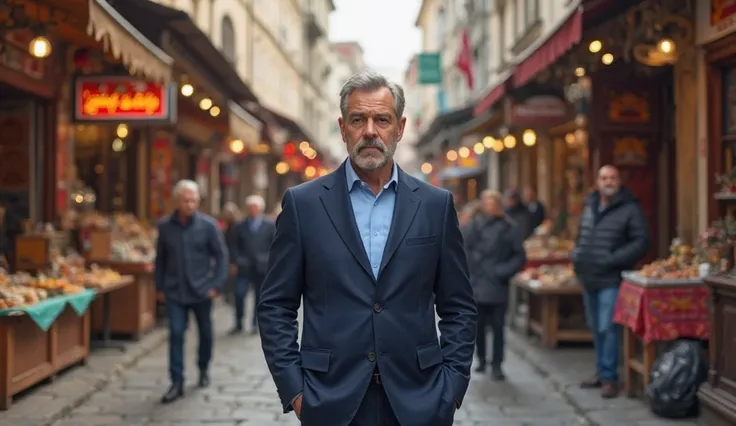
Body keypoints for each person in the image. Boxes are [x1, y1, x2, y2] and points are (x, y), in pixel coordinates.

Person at [258, 70, 477, 426]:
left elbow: (460, 308)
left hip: (418, 401)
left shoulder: (435, 205)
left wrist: (450, 390)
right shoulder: (304, 205)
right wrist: (296, 392)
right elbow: (275, 306)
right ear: (343, 128)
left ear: (400, 128)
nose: (371, 131)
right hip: (330, 400)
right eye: (359, 119)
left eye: (382, 119)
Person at [573, 165, 649, 398]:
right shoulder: (590, 204)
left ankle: (610, 378)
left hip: (610, 278)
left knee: (608, 328)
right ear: (597, 181)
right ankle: (601, 372)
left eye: (613, 177)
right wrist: (576, 255)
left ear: (619, 181)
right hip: (588, 276)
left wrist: (614, 260)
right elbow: (582, 234)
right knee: (596, 328)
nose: (608, 181)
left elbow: (641, 241)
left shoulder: (630, 208)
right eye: (604, 177)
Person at [154, 179, 228, 404]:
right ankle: (176, 381)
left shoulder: (208, 226)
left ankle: (203, 367)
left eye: (193, 200)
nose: (190, 204)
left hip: (202, 290)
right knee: (176, 334)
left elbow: (222, 256)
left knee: (205, 333)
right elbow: (160, 259)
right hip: (175, 291)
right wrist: (159, 287)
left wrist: (215, 285)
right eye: (186, 200)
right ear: (176, 201)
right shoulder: (165, 227)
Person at [463, 190, 526, 381]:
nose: (490, 206)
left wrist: (503, 272)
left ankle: (497, 363)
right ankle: (481, 359)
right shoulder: (473, 226)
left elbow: (519, 256)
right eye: (487, 202)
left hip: (497, 284)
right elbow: (464, 250)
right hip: (477, 282)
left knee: (498, 327)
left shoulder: (509, 227)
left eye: (493, 202)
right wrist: (470, 272)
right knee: (478, 326)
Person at [231, 194, 275, 335]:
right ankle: (238, 322)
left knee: (260, 297)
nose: (253, 210)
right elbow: (233, 246)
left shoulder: (270, 225)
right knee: (238, 294)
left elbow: (275, 246)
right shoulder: (239, 226)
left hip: (262, 267)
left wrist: (268, 260)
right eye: (250, 207)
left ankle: (256, 324)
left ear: (261, 209)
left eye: (255, 207)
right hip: (244, 267)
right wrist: (236, 261)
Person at [220, 202, 241, 305]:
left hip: (232, 257)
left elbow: (234, 245)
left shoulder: (236, 227)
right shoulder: (226, 227)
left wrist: (233, 261)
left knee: (232, 279)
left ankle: (231, 295)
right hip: (226, 256)